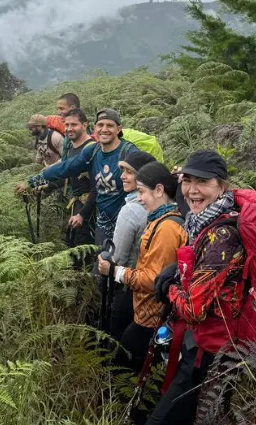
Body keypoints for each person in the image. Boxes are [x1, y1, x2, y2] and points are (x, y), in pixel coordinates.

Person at [140, 150, 243, 425]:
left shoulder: (221, 236)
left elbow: (195, 308)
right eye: (187, 181)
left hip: (208, 355)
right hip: (207, 347)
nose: (192, 190)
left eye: (202, 182)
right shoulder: (205, 223)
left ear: (221, 186)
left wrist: (169, 288)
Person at [98, 162, 187, 378]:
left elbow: (152, 280)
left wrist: (114, 271)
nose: (139, 198)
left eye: (141, 192)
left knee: (124, 367)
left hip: (153, 317)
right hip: (148, 313)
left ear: (159, 190)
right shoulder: (160, 220)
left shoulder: (166, 228)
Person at [25, 108, 137, 246]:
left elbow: (150, 177)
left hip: (127, 220)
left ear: (118, 129)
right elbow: (65, 167)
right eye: (100, 125)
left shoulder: (129, 152)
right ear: (94, 128)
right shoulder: (93, 151)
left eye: (110, 125)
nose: (104, 129)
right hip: (103, 223)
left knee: (120, 258)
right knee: (101, 257)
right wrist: (32, 182)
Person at [107, 150, 156, 339]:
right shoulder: (164, 205)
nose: (122, 176)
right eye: (122, 170)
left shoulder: (131, 210)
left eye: (129, 172)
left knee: (118, 336)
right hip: (152, 288)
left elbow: (118, 256)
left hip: (128, 285)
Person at [61, 109, 96, 250]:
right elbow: (67, 173)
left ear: (84, 125)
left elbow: (97, 186)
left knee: (84, 250)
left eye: (74, 125)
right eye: (67, 125)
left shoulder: (91, 149)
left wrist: (82, 214)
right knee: (73, 247)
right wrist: (44, 186)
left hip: (91, 209)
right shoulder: (71, 146)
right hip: (76, 205)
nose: (69, 128)